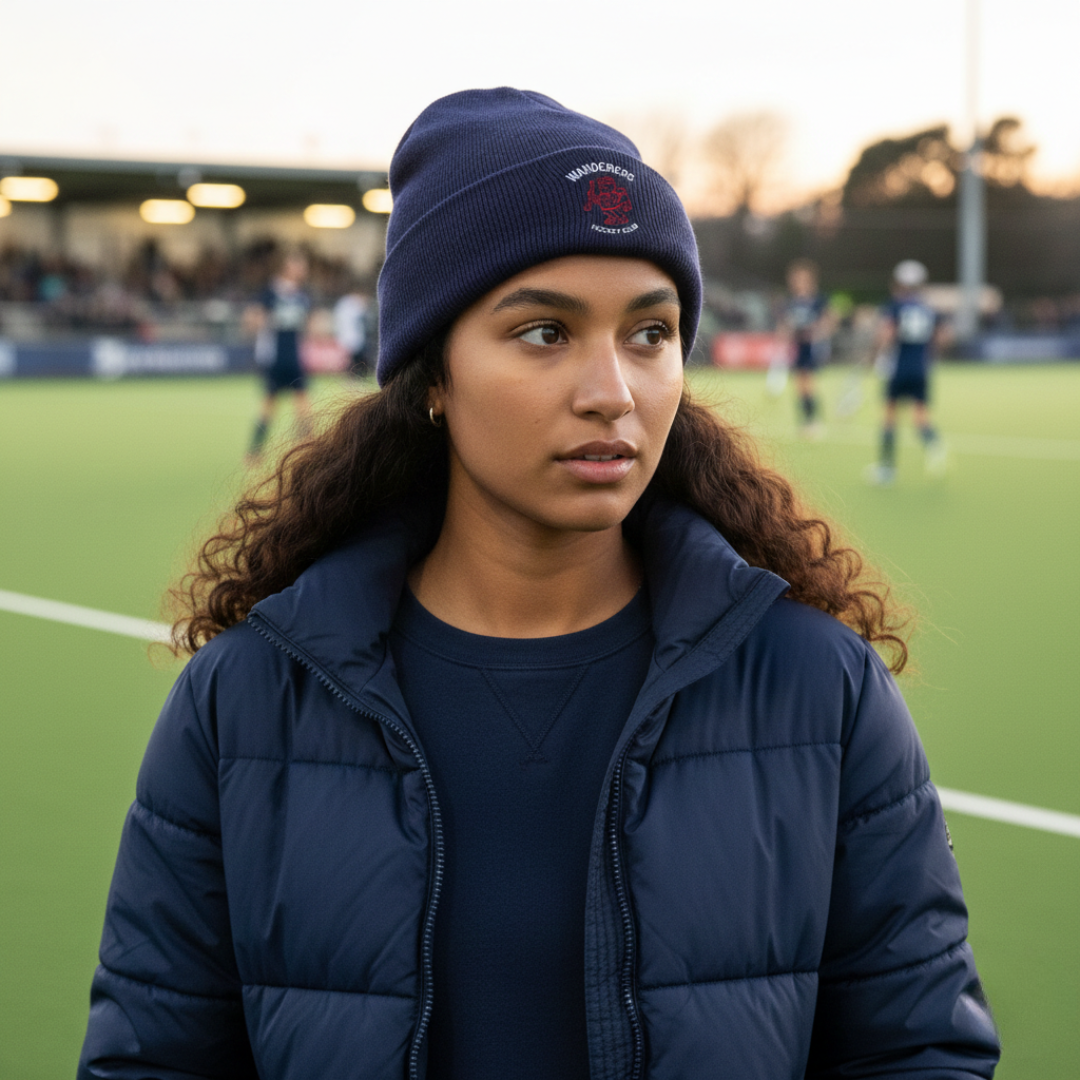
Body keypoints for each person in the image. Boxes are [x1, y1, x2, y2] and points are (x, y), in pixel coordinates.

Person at [78, 89, 999, 1079]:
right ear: (433, 376)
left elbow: (920, 1052)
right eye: (544, 333)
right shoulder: (244, 704)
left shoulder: (823, 687)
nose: (614, 392)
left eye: (650, 333)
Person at [867, 259, 947, 484]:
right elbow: (942, 337)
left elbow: (887, 334)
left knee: (889, 417)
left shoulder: (894, 305)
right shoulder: (928, 307)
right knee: (921, 418)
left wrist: (875, 355)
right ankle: (935, 446)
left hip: (899, 368)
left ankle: (886, 469)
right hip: (921, 368)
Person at [246, 251, 314, 462]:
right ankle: (254, 452)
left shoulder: (302, 296)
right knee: (268, 405)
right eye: (299, 264)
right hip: (275, 357)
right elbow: (251, 319)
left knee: (303, 404)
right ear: (287, 267)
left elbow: (308, 325)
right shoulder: (270, 293)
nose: (303, 269)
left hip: (294, 356)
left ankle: (308, 451)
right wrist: (262, 321)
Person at [779, 258, 832, 435]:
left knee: (807, 382)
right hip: (798, 346)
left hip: (812, 346)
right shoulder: (791, 301)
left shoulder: (818, 300)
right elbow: (786, 324)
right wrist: (785, 335)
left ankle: (812, 421)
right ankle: (806, 420)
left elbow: (828, 320)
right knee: (800, 385)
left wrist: (816, 332)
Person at [333, 285, 375, 377]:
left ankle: (356, 375)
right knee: (354, 359)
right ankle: (353, 375)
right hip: (353, 337)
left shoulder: (343, 304)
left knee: (355, 358)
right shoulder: (352, 304)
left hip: (350, 336)